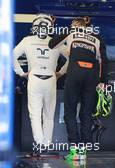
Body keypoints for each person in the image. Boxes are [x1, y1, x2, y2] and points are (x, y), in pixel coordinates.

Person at [48, 17, 107, 160]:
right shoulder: (97, 37)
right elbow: (103, 60)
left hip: (75, 73)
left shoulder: (71, 33)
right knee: (86, 113)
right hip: (91, 75)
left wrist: (70, 30)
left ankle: (74, 149)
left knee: (70, 111)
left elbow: (51, 44)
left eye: (72, 24)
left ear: (76, 25)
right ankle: (83, 151)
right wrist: (103, 81)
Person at [13, 14, 69, 156]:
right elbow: (71, 57)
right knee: (49, 115)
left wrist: (20, 72)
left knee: (35, 114)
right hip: (50, 79)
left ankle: (39, 144)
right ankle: (46, 144)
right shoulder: (55, 42)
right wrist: (61, 72)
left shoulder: (27, 40)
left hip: (35, 79)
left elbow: (11, 55)